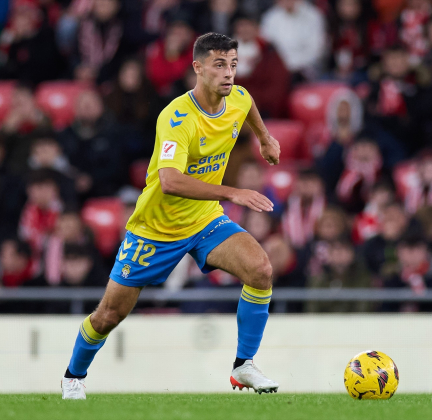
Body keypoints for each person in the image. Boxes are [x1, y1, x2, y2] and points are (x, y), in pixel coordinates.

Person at [61, 33, 282, 398]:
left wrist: (264, 138)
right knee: (109, 316)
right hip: (156, 229)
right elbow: (170, 181)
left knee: (260, 269)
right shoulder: (177, 117)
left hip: (205, 219)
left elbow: (248, 105)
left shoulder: (238, 98)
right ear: (197, 67)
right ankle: (73, 376)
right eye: (219, 65)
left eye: (233, 65)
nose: (229, 74)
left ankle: (244, 366)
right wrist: (234, 192)